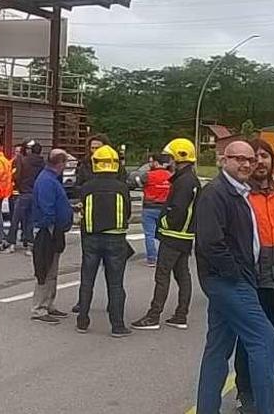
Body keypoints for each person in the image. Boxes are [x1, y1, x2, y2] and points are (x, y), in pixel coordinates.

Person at [195, 140, 274, 414]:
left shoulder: (238, 193)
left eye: (250, 160)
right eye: (238, 159)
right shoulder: (216, 193)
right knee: (265, 340)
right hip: (229, 281)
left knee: (217, 349)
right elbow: (210, 243)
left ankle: (207, 409)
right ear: (224, 160)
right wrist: (237, 274)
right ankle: (267, 408)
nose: (245, 164)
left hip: (230, 279)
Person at [232, 139, 274, 412]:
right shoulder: (242, 195)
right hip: (253, 276)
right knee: (251, 339)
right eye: (255, 157)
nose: (259, 162)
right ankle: (248, 392)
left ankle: (265, 387)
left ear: (273, 161)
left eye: (264, 156)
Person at [131, 138, 199, 331]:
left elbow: (177, 209)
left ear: (179, 156)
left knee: (163, 276)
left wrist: (163, 223)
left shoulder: (184, 181)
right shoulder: (190, 179)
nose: (169, 161)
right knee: (182, 276)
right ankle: (180, 315)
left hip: (173, 236)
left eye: (171, 157)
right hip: (183, 237)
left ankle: (153, 316)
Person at [76, 145, 133, 337]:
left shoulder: (87, 187)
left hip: (91, 238)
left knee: (87, 280)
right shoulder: (122, 187)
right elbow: (128, 213)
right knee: (116, 284)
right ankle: (117, 325)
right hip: (116, 239)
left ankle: (82, 321)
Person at [30, 149, 74, 324]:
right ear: (60, 164)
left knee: (52, 270)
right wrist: (51, 226)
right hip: (48, 230)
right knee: (45, 269)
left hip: (54, 229)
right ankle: (39, 308)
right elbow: (48, 207)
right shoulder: (47, 181)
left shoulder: (50, 179)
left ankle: (48, 304)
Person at [3, 139, 44, 255]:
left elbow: (17, 175)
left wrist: (19, 186)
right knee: (29, 220)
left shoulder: (23, 161)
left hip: (23, 193)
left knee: (16, 219)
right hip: (34, 194)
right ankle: (29, 245)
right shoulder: (42, 163)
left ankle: (11, 243)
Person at [138, 154, 172, 266]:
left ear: (156, 163)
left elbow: (136, 181)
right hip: (164, 208)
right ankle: (162, 258)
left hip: (149, 207)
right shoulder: (171, 176)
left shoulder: (148, 175)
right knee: (162, 234)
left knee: (149, 234)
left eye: (152, 162)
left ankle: (152, 259)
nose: (150, 164)